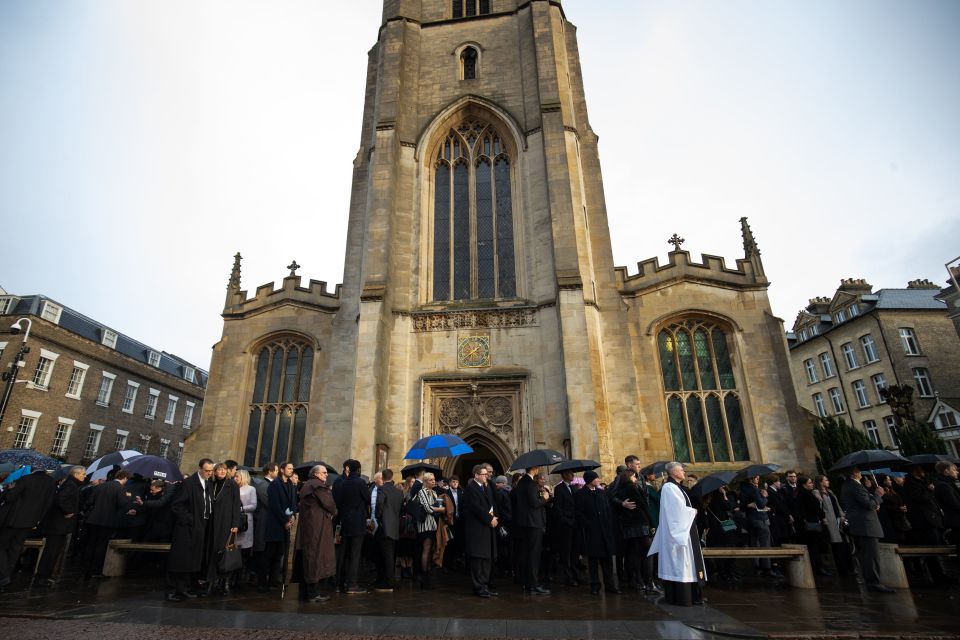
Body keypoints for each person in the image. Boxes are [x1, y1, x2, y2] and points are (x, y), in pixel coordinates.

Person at [648, 462, 705, 606]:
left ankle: (694, 595)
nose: (684, 472)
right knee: (681, 565)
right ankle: (682, 597)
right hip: (678, 534)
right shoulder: (669, 487)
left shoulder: (677, 487)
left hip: (685, 530)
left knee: (688, 565)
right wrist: (692, 511)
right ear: (673, 472)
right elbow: (675, 511)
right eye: (681, 470)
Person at [840, 467, 894, 593]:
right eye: (858, 471)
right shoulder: (854, 485)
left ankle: (871, 581)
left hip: (861, 524)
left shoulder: (849, 485)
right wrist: (878, 495)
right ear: (854, 473)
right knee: (871, 556)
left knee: (867, 555)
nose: (861, 473)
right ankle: (873, 582)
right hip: (865, 525)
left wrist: (874, 500)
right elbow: (868, 504)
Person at [167, 458, 215, 601]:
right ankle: (178, 590)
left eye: (211, 471)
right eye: (207, 470)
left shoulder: (208, 483)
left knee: (194, 559)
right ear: (200, 469)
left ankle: (189, 587)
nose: (209, 473)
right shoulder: (188, 483)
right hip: (188, 528)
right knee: (183, 559)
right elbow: (177, 505)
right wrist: (191, 520)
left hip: (202, 526)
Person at [82, 469, 139, 580]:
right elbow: (122, 504)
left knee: (90, 545)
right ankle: (96, 571)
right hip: (107, 521)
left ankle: (86, 569)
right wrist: (130, 506)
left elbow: (89, 502)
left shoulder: (100, 486)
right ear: (125, 478)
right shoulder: (120, 488)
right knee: (101, 546)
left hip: (92, 520)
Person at [35, 466, 86, 586]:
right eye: (83, 474)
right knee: (51, 551)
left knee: (55, 550)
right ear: (76, 474)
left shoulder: (72, 484)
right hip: (58, 524)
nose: (85, 476)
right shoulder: (70, 484)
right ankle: (42, 577)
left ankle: (45, 576)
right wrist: (68, 511)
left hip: (60, 525)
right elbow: (60, 499)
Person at [575, 470, 619, 595]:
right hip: (592, 532)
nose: (598, 480)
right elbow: (579, 513)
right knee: (593, 561)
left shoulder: (601, 493)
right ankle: (595, 585)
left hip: (605, 531)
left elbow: (607, 509)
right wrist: (588, 524)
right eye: (596, 478)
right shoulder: (580, 494)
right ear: (590, 480)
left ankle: (610, 585)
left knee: (607, 560)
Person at [298, 464, 337, 602]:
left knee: (312, 555)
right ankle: (312, 594)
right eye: (324, 473)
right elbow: (330, 504)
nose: (326, 475)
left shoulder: (308, 485)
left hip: (312, 526)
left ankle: (308, 592)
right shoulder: (317, 486)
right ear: (316, 474)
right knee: (315, 556)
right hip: (317, 527)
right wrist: (334, 511)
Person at [331, 459, 370, 594]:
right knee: (355, 554)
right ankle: (352, 584)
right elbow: (367, 499)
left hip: (343, 522)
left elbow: (337, 501)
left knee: (341, 553)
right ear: (358, 469)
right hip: (357, 522)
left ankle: (338, 583)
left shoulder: (341, 483)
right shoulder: (360, 482)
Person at [615, 469, 655, 592]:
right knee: (647, 553)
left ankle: (637, 580)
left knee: (634, 554)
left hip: (629, 525)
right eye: (634, 476)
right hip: (640, 523)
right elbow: (643, 504)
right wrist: (652, 523)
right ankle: (648, 582)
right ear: (629, 477)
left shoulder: (619, 490)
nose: (636, 479)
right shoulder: (632, 487)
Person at [514, 464, 551, 595]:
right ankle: (533, 584)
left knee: (526, 553)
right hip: (533, 523)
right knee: (533, 554)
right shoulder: (529, 483)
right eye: (538, 467)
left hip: (525, 523)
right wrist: (545, 498)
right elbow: (535, 503)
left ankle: (527, 582)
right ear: (534, 468)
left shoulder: (522, 482)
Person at [462, 464, 498, 597]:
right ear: (476, 475)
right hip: (477, 529)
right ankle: (478, 587)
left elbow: (491, 504)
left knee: (486, 558)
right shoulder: (471, 488)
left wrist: (495, 516)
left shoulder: (486, 487)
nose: (486, 476)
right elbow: (476, 508)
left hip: (486, 528)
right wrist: (490, 519)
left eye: (487, 474)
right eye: (483, 474)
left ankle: (484, 585)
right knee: (478, 559)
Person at [261, 461, 297, 592]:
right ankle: (262, 582)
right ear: (282, 470)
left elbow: (294, 502)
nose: (291, 470)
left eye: (292, 468)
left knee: (279, 554)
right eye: (289, 468)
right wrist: (284, 520)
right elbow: (275, 505)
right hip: (275, 524)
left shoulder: (292, 485)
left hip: (286, 525)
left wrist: (293, 516)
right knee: (269, 555)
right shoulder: (274, 485)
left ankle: (273, 581)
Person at [206, 462, 242, 594]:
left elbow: (236, 505)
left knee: (225, 552)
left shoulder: (231, 484)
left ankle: (225, 581)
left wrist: (235, 524)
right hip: (212, 523)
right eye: (219, 470)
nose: (222, 472)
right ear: (215, 471)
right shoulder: (211, 483)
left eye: (224, 470)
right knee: (213, 552)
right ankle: (212, 580)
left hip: (226, 523)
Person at [740, 474, 780, 578]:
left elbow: (742, 506)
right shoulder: (753, 489)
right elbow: (761, 504)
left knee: (754, 543)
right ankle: (767, 568)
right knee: (765, 543)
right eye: (757, 478)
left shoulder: (744, 489)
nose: (758, 480)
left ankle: (756, 567)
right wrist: (764, 496)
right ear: (751, 479)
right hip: (759, 519)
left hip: (750, 519)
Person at [411, 472, 445, 589]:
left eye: (434, 479)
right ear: (425, 482)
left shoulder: (435, 492)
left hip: (433, 525)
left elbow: (436, 505)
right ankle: (424, 578)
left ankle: (426, 575)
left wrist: (440, 507)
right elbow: (428, 508)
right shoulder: (422, 491)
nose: (433, 481)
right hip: (425, 525)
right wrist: (441, 509)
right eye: (430, 480)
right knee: (425, 549)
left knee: (430, 550)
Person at [814, 475, 853, 576]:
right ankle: (843, 569)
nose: (828, 481)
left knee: (845, 544)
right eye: (826, 480)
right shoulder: (817, 493)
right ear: (820, 482)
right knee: (837, 546)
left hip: (839, 520)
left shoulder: (830, 492)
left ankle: (850, 568)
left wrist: (842, 515)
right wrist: (819, 500)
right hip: (830, 522)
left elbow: (837, 505)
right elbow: (820, 508)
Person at [373, 468, 403, 590]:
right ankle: (386, 579)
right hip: (395, 526)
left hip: (384, 526)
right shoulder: (398, 492)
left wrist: (378, 516)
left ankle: (388, 582)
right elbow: (400, 509)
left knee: (386, 555)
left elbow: (379, 504)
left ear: (383, 478)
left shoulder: (382, 489)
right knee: (391, 554)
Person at [551, 470, 580, 586]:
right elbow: (558, 508)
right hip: (566, 525)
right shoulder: (559, 488)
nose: (573, 475)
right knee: (566, 551)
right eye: (570, 474)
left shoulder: (574, 488)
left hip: (575, 524)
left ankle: (575, 574)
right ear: (564, 476)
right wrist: (566, 520)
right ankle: (568, 576)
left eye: (573, 474)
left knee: (575, 551)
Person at [796, 475, 828, 576]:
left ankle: (817, 567)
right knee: (814, 546)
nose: (812, 484)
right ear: (804, 485)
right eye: (810, 483)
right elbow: (814, 508)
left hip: (808, 523)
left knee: (813, 546)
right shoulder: (806, 494)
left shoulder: (800, 493)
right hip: (811, 523)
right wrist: (818, 501)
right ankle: (818, 567)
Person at [933, 462, 960, 557]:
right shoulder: (943, 485)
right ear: (946, 471)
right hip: (957, 522)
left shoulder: (948, 483)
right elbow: (955, 504)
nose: (957, 472)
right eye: (954, 470)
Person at [235, 470, 257, 575]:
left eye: (237, 476)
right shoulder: (234, 488)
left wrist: (240, 508)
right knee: (234, 549)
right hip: (234, 520)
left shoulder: (251, 489)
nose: (235, 478)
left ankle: (242, 573)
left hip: (245, 521)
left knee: (244, 549)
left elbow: (253, 505)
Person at [142, 479, 176, 544]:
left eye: (152, 490)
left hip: (164, 526)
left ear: (159, 488)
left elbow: (160, 503)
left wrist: (143, 503)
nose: (151, 492)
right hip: (155, 525)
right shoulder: (156, 494)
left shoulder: (168, 493)